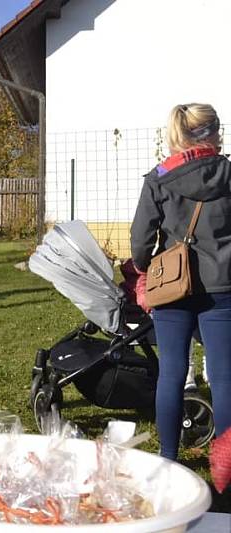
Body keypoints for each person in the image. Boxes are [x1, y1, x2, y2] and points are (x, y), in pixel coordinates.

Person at [130, 102, 231, 461]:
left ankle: (169, 459)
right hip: (223, 288)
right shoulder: (229, 174)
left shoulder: (159, 178)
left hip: (173, 287)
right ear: (215, 132)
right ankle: (225, 469)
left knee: (171, 375)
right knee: (223, 379)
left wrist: (145, 269)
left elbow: (140, 241)